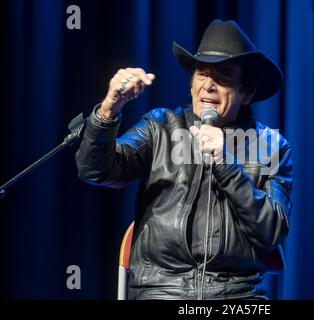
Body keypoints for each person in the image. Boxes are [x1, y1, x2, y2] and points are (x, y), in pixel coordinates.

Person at [75, 19, 293, 300]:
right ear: (191, 84)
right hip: (161, 291)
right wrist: (108, 111)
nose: (209, 86)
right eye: (202, 74)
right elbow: (95, 170)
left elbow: (272, 231)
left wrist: (226, 163)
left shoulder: (271, 147)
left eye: (224, 76)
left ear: (246, 92)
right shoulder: (161, 126)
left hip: (236, 296)